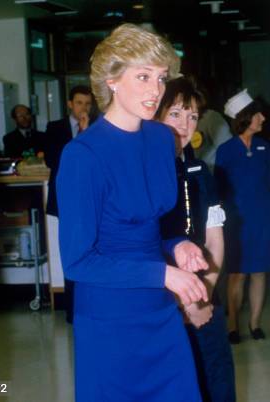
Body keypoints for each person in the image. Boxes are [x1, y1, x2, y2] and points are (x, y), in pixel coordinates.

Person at [56, 24, 209, 402]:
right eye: (142, 77)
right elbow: (77, 262)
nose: (155, 90)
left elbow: (151, 224)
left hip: (158, 308)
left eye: (159, 78)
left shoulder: (161, 139)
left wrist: (177, 245)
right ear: (111, 81)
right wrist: (162, 272)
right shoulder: (83, 155)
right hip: (109, 315)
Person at [158, 77, 236, 402]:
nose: (185, 125)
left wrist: (202, 298)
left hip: (205, 298)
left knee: (215, 385)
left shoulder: (201, 171)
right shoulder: (143, 172)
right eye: (176, 114)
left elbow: (215, 241)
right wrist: (183, 303)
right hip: (161, 305)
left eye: (192, 116)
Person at [215, 89, 270, 344]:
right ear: (245, 118)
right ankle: (233, 326)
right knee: (237, 273)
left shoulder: (265, 147)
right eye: (257, 115)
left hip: (263, 216)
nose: (262, 118)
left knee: (259, 271)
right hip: (237, 220)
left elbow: (269, 179)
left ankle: (254, 323)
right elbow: (220, 188)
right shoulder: (226, 150)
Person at [43, 85, 92, 323]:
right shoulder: (55, 128)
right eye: (80, 103)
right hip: (65, 199)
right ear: (70, 104)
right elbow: (54, 161)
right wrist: (81, 135)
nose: (84, 108)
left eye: (88, 103)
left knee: (91, 250)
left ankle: (89, 304)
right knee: (71, 250)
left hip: (91, 199)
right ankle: (72, 309)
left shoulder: (99, 127)